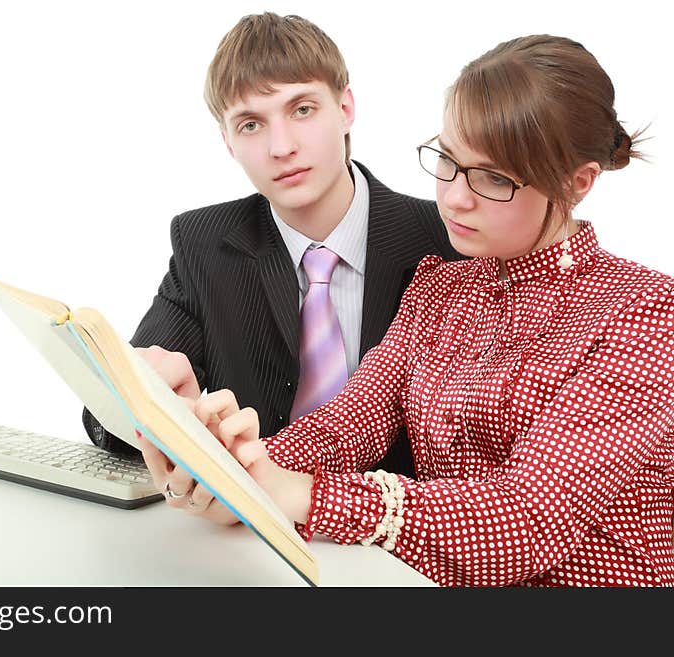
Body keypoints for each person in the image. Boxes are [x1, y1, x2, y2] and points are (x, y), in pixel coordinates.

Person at [139, 34, 674, 587]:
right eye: (447, 160)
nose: (455, 197)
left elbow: (525, 519)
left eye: (494, 178)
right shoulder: (438, 287)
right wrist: (238, 462)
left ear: (577, 182)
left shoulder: (644, 312)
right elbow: (350, 422)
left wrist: (301, 492)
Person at [82, 12, 461, 478]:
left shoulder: (447, 239)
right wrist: (140, 402)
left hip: (406, 538)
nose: (281, 147)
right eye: (250, 125)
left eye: (302, 109)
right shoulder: (204, 245)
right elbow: (106, 423)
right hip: (252, 534)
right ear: (227, 142)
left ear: (345, 108)